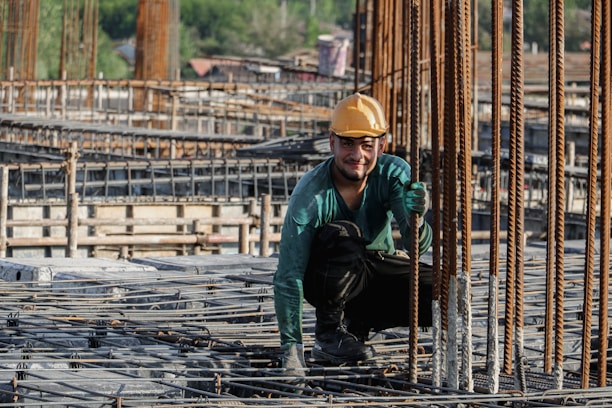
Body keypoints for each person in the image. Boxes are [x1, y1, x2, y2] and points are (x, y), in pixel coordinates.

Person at [273, 92, 433, 373]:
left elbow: (414, 247)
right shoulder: (311, 195)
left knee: (445, 291)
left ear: (382, 145)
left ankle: (358, 324)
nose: (357, 155)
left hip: (374, 272)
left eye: (367, 145)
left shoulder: (393, 174)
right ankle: (328, 335)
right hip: (327, 278)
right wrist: (292, 348)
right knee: (344, 235)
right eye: (348, 144)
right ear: (332, 142)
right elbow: (289, 275)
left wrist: (416, 219)